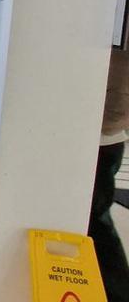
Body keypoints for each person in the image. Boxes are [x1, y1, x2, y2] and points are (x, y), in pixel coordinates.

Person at [93, 45, 129, 302]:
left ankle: (117, 291)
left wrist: (87, 126)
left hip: (102, 146)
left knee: (98, 221)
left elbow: (117, 111)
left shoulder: (118, 54)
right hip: (98, 144)